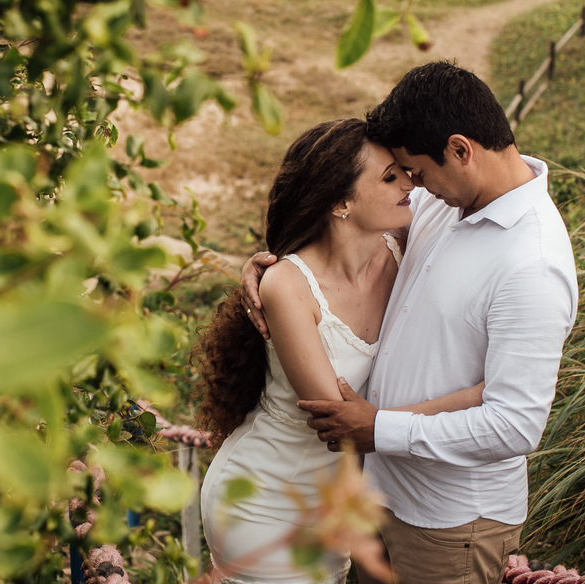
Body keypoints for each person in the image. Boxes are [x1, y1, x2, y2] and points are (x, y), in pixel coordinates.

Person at [241, 61, 579, 584]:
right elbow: (348, 222)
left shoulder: (531, 263)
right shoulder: (448, 199)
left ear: (461, 151)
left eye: (417, 172)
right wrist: (270, 264)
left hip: (452, 525)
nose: (412, 187)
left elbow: (515, 425)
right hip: (381, 496)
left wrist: (379, 428)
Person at [194, 118, 485, 584]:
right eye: (390, 177)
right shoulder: (289, 287)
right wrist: (480, 397)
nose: (410, 183)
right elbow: (343, 423)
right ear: (341, 202)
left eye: (404, 172)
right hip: (263, 497)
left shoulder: (400, 248)